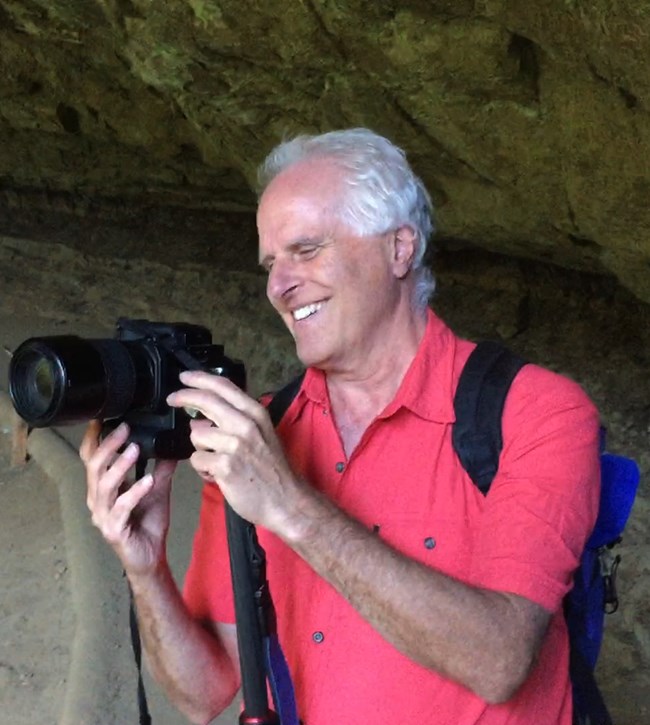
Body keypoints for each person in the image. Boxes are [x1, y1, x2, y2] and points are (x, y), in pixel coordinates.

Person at [81, 128, 601, 724]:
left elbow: (500, 662)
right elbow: (204, 695)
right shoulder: (261, 430)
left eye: (306, 250)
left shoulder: (535, 411)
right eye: (271, 263)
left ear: (400, 249)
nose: (279, 286)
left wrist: (290, 506)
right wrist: (144, 568)